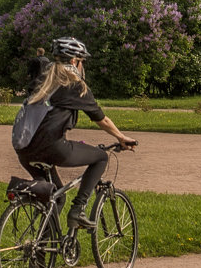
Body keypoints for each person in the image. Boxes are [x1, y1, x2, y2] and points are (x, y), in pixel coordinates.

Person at [14, 36, 137, 230]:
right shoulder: (74, 85)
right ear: (74, 61)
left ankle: (39, 255)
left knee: (56, 197)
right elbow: (101, 119)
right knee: (101, 157)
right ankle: (78, 210)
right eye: (82, 61)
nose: (82, 66)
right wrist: (121, 137)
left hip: (24, 150)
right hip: (53, 148)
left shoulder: (42, 81)